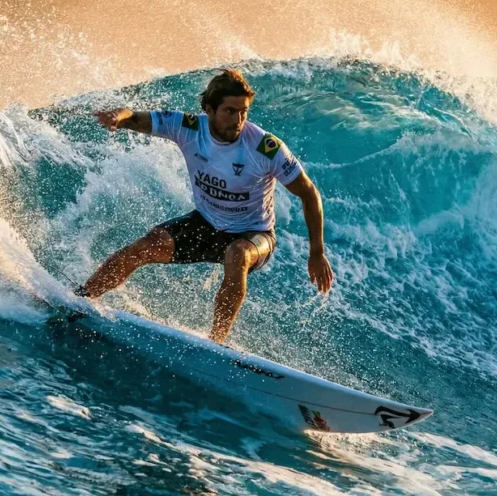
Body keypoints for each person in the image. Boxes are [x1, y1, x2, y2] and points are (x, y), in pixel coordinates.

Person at [76, 69, 333, 344]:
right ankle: (79, 300)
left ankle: (217, 342)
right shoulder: (187, 127)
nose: (238, 120)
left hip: (255, 235)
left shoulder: (265, 147)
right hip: (207, 223)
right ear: (208, 109)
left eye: (244, 112)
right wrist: (120, 118)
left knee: (237, 254)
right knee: (144, 246)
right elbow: (135, 117)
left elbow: (309, 194)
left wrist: (316, 253)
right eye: (230, 111)